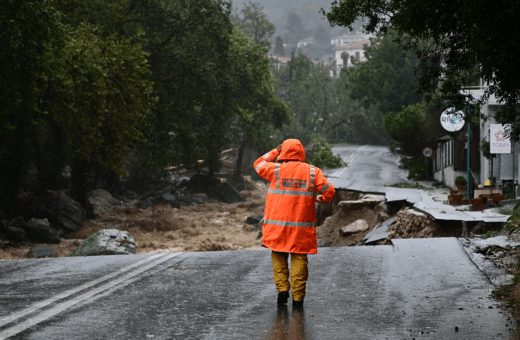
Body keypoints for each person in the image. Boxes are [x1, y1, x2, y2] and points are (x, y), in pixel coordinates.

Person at [254, 139, 335, 307]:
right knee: (299, 259)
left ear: (284, 152)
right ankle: (298, 299)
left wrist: (275, 151)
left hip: (278, 227)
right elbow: (330, 190)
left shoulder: (275, 170)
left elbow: (258, 163)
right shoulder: (313, 172)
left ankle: (282, 290)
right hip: (301, 229)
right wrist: (321, 198)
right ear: (301, 152)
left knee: (278, 255)